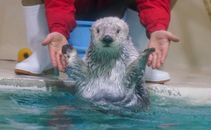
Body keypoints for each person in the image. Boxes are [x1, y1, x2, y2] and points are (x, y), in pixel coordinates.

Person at [15, 0, 179, 83]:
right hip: (73, 8)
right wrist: (58, 29)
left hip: (115, 9)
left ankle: (136, 60)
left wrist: (157, 27)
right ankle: (44, 53)